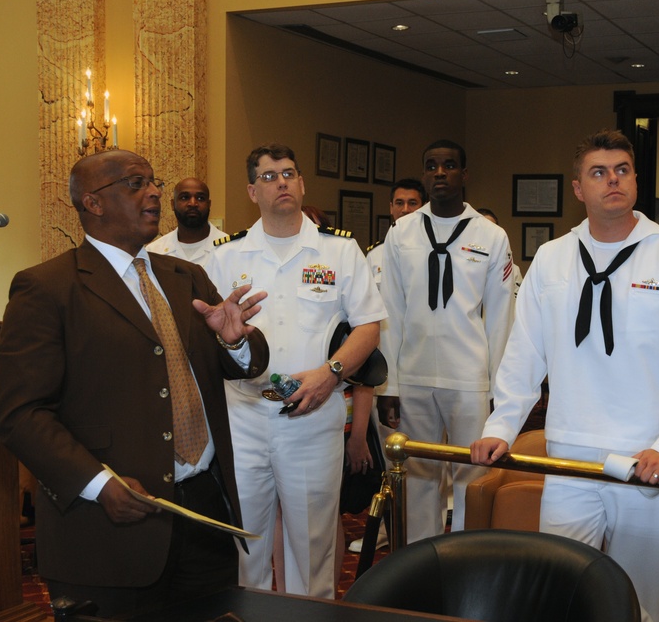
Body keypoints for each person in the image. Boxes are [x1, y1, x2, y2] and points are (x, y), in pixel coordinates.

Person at [0, 150, 270, 619]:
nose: (155, 192)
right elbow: (21, 414)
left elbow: (248, 362)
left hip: (204, 518)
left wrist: (235, 343)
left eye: (153, 181)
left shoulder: (187, 277)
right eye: (135, 183)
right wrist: (98, 484)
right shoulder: (47, 288)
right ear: (92, 204)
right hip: (109, 527)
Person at [470, 129, 659, 622]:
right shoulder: (552, 258)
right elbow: (524, 351)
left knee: (637, 598)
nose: (613, 181)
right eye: (599, 172)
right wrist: (501, 426)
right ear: (579, 188)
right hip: (569, 455)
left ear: (636, 180)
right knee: (562, 587)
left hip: (643, 457)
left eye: (622, 170)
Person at [205, 143, 386, 599]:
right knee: (245, 546)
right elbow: (207, 337)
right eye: (268, 177)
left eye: (288, 173)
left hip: (311, 415)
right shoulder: (225, 257)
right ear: (251, 190)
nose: (280, 182)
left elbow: (368, 327)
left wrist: (331, 373)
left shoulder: (340, 251)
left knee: (312, 549)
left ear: (302, 184)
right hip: (244, 417)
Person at [379, 140, 515, 542]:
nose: (440, 173)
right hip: (413, 374)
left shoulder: (491, 236)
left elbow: (500, 319)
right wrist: (390, 385)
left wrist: (499, 390)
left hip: (470, 377)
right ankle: (421, 560)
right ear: (423, 174)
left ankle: (470, 559)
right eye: (432, 166)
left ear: (464, 175)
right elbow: (391, 312)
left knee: (473, 480)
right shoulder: (401, 233)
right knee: (418, 478)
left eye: (449, 166)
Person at [347, 177, 427, 554]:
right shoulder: (373, 255)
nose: (405, 210)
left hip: (426, 370)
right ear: (391, 208)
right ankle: (389, 530)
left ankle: (421, 538)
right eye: (399, 203)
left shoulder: (435, 249)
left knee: (426, 466)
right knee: (390, 464)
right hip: (385, 376)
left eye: (413, 203)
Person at [146, 177, 227, 264]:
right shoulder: (154, 252)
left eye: (200, 198)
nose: (192, 203)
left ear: (209, 204)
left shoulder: (229, 249)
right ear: (173, 204)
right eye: (185, 197)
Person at [477, 207, 524, 297]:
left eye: (492, 230)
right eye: (483, 230)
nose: (487, 235)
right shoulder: (460, 265)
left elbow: (517, 304)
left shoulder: (513, 270)